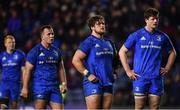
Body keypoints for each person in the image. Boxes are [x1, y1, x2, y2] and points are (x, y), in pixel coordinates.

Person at [119, 8, 176, 109]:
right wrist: (128, 71)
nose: (155, 21)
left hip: (156, 78)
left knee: (154, 107)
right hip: (140, 78)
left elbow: (173, 53)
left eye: (157, 19)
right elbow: (122, 51)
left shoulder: (162, 36)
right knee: (139, 107)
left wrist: (167, 68)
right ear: (146, 20)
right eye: (152, 19)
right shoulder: (136, 35)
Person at [72, 15, 119, 109]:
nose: (102, 26)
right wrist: (87, 74)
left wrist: (114, 72)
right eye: (99, 24)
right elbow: (75, 60)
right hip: (93, 83)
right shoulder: (88, 42)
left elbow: (115, 60)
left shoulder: (109, 43)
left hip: (108, 83)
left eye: (103, 23)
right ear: (92, 27)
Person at [21, 25, 67, 109]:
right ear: (42, 36)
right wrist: (25, 88)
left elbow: (61, 68)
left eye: (52, 34)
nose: (52, 36)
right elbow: (27, 70)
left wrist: (63, 84)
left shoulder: (56, 51)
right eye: (49, 34)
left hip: (55, 88)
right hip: (40, 87)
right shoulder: (34, 51)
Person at [0, 35, 25, 109]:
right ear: (5, 44)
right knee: (2, 107)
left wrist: (24, 86)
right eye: (9, 42)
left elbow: (24, 71)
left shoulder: (20, 55)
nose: (12, 44)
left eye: (13, 42)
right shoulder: (1, 56)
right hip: (4, 85)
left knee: (14, 107)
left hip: (16, 85)